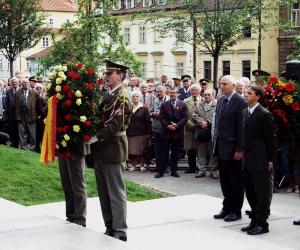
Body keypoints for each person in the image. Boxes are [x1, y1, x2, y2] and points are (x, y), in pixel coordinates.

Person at [91, 60, 132, 242]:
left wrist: (94, 137)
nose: (106, 76)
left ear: (121, 75)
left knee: (115, 191)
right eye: (106, 73)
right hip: (102, 149)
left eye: (110, 73)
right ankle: (109, 225)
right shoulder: (108, 94)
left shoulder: (123, 96)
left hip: (113, 147)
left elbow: (115, 124)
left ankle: (120, 228)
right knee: (104, 191)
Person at [241, 85, 275, 235]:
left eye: (249, 93)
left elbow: (271, 140)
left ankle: (262, 223)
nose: (245, 95)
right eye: (245, 93)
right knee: (250, 191)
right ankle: (254, 219)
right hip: (247, 159)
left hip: (261, 159)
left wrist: (271, 160)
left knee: (262, 193)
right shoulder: (245, 112)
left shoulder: (264, 114)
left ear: (258, 97)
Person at [213, 75, 245, 222]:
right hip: (221, 147)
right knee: (224, 180)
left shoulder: (240, 101)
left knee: (235, 181)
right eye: (220, 84)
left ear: (233, 85)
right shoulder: (220, 100)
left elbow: (242, 127)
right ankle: (226, 207)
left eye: (224, 84)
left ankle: (236, 210)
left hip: (233, 149)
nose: (221, 86)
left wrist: (240, 149)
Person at [155, 86, 188, 178]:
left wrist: (176, 125)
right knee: (163, 153)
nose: (172, 94)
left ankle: (174, 171)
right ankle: (161, 171)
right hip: (166, 132)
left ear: (178, 94)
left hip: (177, 133)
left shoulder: (183, 104)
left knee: (175, 153)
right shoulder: (164, 104)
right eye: (171, 93)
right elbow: (161, 117)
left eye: (174, 93)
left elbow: (185, 118)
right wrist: (167, 125)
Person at [193, 89, 217, 178]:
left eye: (209, 94)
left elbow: (218, 115)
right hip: (201, 131)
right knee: (201, 152)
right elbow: (194, 115)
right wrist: (202, 122)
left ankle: (213, 170)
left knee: (212, 152)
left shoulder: (217, 104)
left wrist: (208, 122)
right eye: (205, 94)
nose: (206, 96)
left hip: (212, 132)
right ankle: (201, 170)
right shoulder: (200, 104)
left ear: (213, 95)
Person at [127, 90, 151, 172]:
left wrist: (149, 133)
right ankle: (133, 166)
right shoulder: (129, 108)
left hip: (142, 133)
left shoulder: (144, 109)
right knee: (132, 151)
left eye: (137, 96)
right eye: (133, 96)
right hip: (130, 133)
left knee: (141, 151)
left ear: (140, 98)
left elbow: (148, 121)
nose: (135, 98)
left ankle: (142, 165)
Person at [15, 78, 41, 150]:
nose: (25, 84)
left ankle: (32, 148)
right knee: (22, 132)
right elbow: (16, 104)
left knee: (32, 133)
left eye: (27, 82)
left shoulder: (34, 92)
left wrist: (39, 114)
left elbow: (39, 104)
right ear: (21, 84)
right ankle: (23, 147)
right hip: (21, 115)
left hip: (31, 115)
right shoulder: (18, 92)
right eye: (24, 83)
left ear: (29, 84)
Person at [184, 84, 202, 174]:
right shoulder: (186, 101)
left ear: (199, 91)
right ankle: (191, 167)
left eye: (196, 90)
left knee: (200, 149)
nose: (194, 92)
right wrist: (190, 124)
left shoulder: (203, 100)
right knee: (190, 150)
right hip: (189, 128)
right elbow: (184, 115)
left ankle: (200, 167)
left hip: (200, 128)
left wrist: (200, 124)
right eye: (193, 90)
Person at [150, 85, 169, 173]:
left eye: (161, 91)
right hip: (156, 128)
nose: (159, 93)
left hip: (166, 128)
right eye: (158, 92)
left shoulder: (169, 100)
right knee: (157, 148)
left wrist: (161, 114)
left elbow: (172, 114)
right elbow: (150, 112)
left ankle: (165, 167)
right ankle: (158, 166)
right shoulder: (155, 101)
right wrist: (154, 114)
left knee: (165, 148)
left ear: (165, 91)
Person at [5, 77, 19, 148]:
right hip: (11, 115)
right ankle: (14, 143)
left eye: (16, 82)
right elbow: (6, 104)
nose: (14, 84)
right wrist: (7, 115)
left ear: (18, 83)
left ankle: (20, 144)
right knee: (12, 130)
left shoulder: (21, 90)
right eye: (13, 82)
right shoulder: (8, 92)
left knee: (20, 130)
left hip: (20, 115)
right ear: (11, 83)